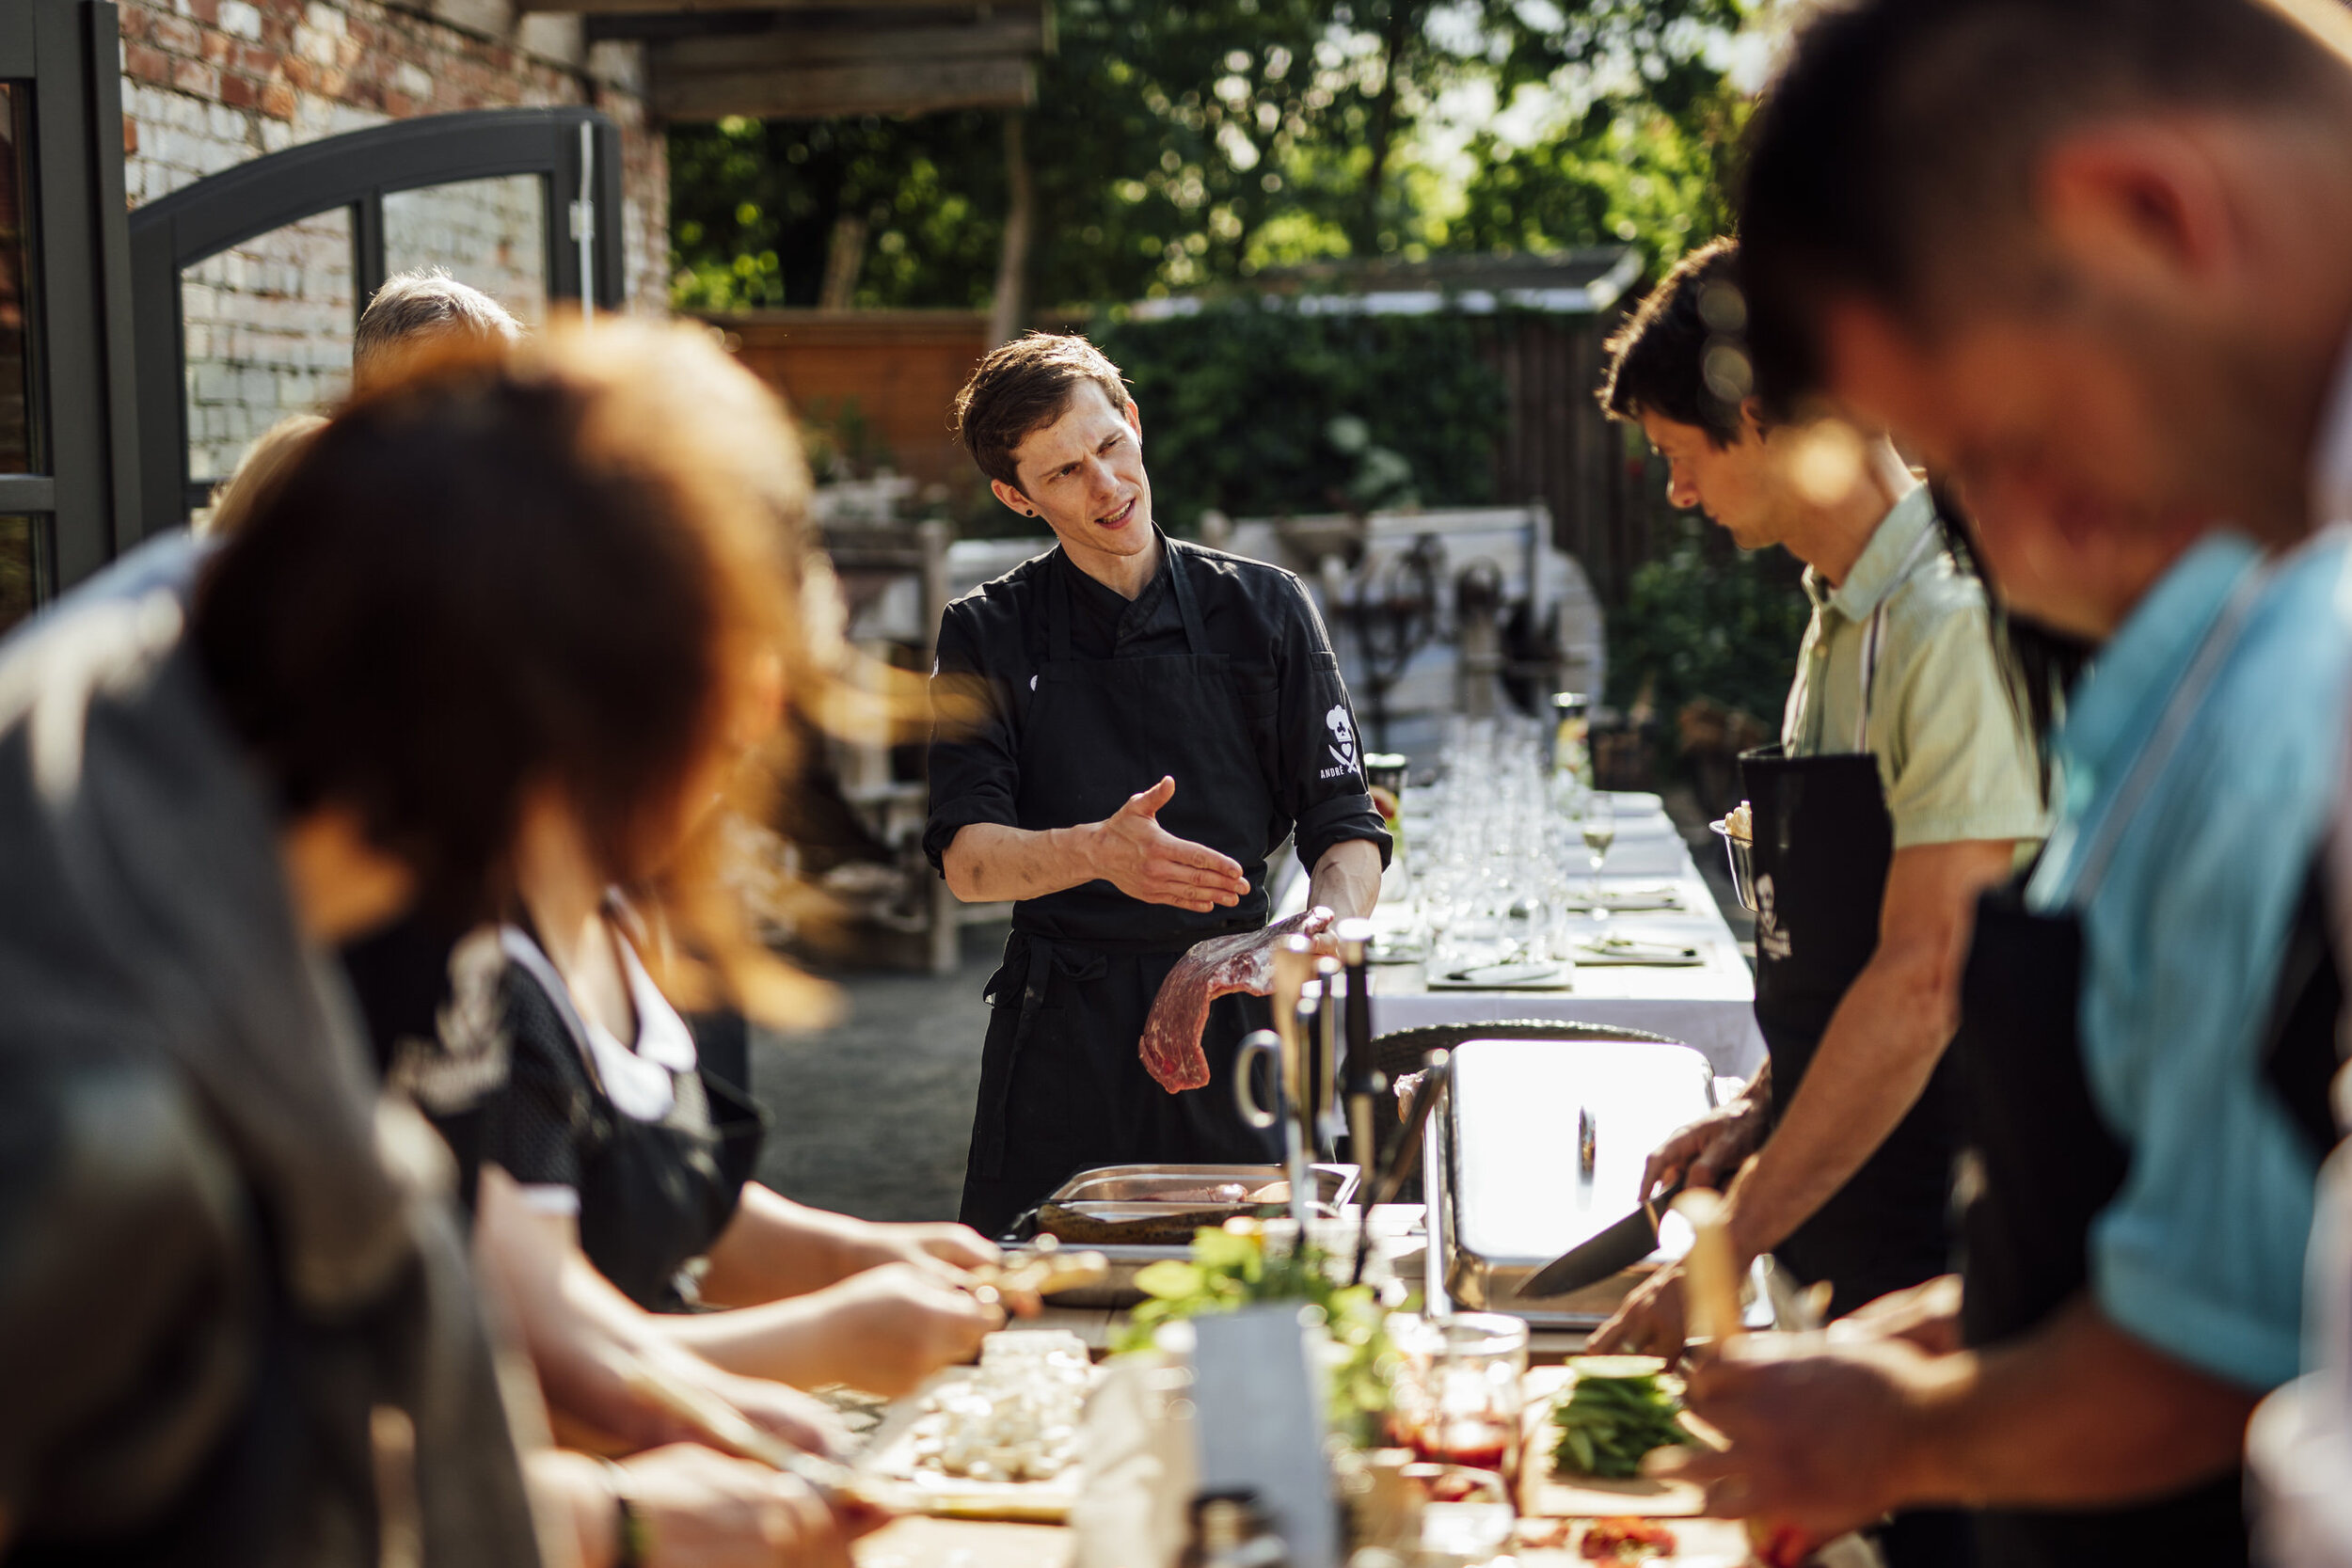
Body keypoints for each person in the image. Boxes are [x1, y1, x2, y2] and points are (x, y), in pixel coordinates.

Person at [1653, 2, 2352, 1561]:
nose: (2009, 543)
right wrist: (1943, 1336)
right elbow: (2234, 1243)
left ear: (2144, 214)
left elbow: (2255, 1361)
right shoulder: (2230, 613)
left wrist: (1907, 1429)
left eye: (1995, 444)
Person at [0, 319, 867, 1565]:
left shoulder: (301, 691)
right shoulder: (86, 1103)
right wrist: (606, 1524)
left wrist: (647, 1419)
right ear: (568, 746)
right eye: (715, 752)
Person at [1588, 241, 2045, 1371]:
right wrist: (1760, 1107)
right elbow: (1836, 949)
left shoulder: (1946, 621)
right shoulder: (1837, 616)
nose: (1679, 491)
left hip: (1952, 1220)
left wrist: (1726, 1241)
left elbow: (1923, 973)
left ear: (1756, 418)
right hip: (1847, 1191)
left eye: (1677, 454)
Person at [928, 332, 1391, 1236]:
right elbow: (968, 862)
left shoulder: (1266, 610)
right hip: (1063, 1033)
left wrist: (1307, 931)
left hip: (1236, 1022)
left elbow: (1344, 824)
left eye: (1110, 446)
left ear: (1135, 423)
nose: (1106, 486)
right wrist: (1098, 852)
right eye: (1064, 473)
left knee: (1251, 1309)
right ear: (1016, 496)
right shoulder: (986, 632)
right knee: (1044, 1312)